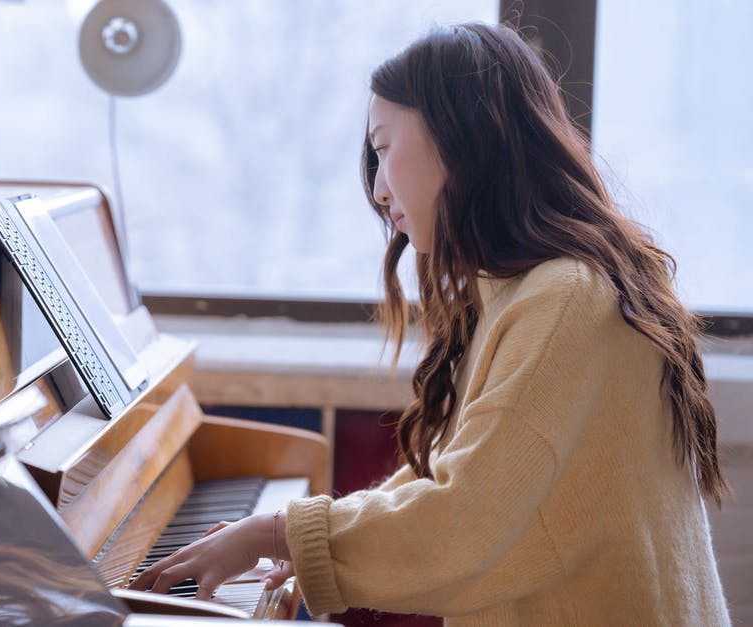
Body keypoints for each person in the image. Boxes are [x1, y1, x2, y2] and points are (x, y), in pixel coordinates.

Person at [131, 22, 731, 625]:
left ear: (460, 138)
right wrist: (293, 536)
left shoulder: (566, 298)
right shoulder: (532, 290)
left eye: (384, 148)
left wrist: (277, 533)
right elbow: (466, 478)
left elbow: (463, 517)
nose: (377, 188)